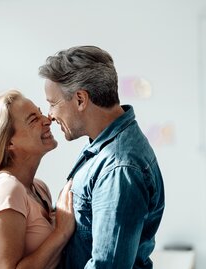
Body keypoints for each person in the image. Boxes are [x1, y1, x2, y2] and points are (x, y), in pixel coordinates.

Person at [38, 45, 165, 269]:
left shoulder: (119, 167)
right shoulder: (104, 149)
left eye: (52, 103)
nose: (50, 115)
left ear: (80, 99)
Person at [0, 89, 75, 269]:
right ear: (8, 142)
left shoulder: (39, 188)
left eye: (40, 113)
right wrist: (61, 232)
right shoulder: (6, 189)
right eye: (33, 119)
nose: (47, 120)